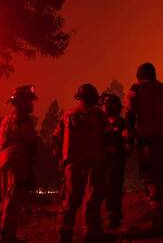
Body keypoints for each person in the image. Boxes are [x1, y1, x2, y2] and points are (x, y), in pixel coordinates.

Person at [125, 62, 163, 232]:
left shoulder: (135, 91)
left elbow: (130, 115)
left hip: (147, 141)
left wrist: (129, 138)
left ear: (139, 76)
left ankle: (161, 221)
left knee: (151, 180)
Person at [54, 84, 107, 243]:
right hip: (94, 161)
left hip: (72, 162)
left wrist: (62, 160)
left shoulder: (67, 114)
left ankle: (64, 234)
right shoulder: (99, 114)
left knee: (69, 198)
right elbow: (108, 136)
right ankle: (91, 232)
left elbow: (56, 138)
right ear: (93, 97)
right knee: (92, 196)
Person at [0, 85, 39, 243]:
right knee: (13, 202)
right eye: (30, 101)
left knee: (3, 201)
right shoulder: (23, 119)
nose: (32, 104)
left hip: (2, 162)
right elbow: (31, 142)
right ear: (22, 102)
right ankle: (7, 238)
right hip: (17, 162)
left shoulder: (4, 120)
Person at [100, 93, 133, 231]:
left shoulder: (121, 123)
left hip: (115, 163)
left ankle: (113, 219)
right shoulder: (99, 122)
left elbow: (128, 144)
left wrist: (123, 149)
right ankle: (100, 220)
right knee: (100, 190)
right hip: (101, 162)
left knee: (114, 189)